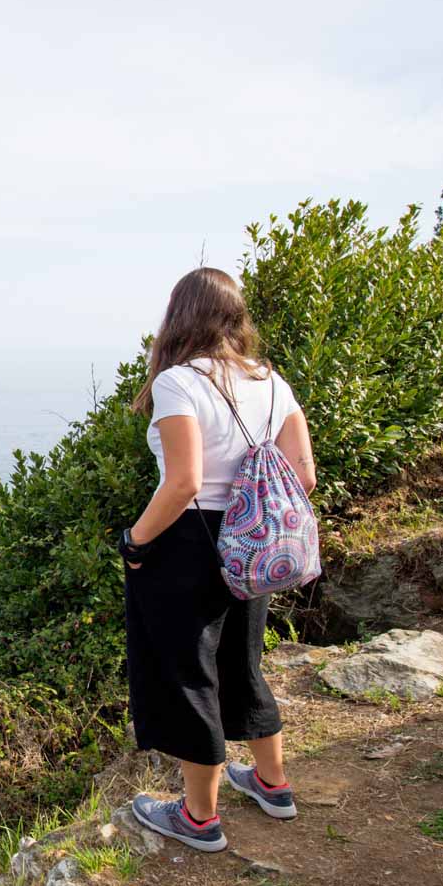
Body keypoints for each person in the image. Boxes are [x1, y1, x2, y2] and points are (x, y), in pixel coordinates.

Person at [116, 267, 317, 851]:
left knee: (189, 670)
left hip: (188, 537)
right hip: (252, 538)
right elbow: (302, 473)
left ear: (179, 317)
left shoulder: (180, 382)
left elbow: (183, 482)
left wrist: (136, 541)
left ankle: (200, 818)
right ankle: (273, 784)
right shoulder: (271, 381)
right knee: (242, 660)